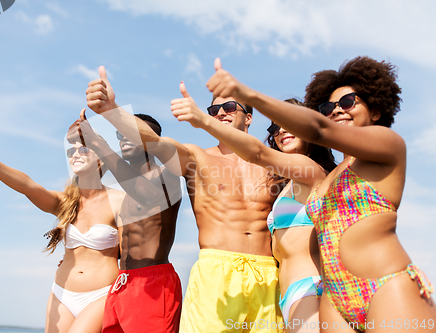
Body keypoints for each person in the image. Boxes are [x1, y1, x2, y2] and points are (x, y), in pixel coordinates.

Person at [204, 57, 435, 332]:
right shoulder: (330, 176)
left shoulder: (389, 146)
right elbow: (263, 153)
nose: (337, 110)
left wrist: (245, 94)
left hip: (384, 284)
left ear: (374, 110)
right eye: (328, 107)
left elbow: (318, 129)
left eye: (348, 102)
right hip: (334, 297)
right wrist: (200, 120)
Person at [86, 67, 284, 332]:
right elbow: (154, 142)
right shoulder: (195, 157)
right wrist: (112, 110)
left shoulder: (272, 163)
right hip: (216, 272)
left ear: (248, 118)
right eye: (213, 110)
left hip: (267, 273)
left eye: (228, 107)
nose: (220, 113)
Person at [172, 90, 336, 332]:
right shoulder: (282, 180)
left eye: (290, 123)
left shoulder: (309, 169)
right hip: (280, 289)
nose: (281, 131)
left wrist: (203, 120)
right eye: (275, 128)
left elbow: (257, 153)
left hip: (307, 285)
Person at [0, 126, 125, 333]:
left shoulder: (119, 201)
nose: (75, 154)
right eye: (70, 151)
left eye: (83, 149)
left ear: (101, 157)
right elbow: (29, 187)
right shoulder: (65, 202)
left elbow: (135, 250)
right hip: (62, 294)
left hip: (102, 294)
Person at [71, 105, 183, 332]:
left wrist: (98, 145)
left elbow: (147, 195)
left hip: (153, 281)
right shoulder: (122, 192)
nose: (124, 139)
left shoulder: (168, 175)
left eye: (131, 134)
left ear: (152, 141)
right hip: (122, 282)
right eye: (120, 135)